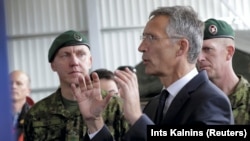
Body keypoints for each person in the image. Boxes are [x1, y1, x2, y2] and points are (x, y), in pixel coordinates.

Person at [71, 6, 234, 141]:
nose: (141, 47)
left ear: (181, 47)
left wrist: (137, 118)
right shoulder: (155, 105)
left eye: (151, 37)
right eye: (144, 38)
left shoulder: (212, 102)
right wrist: (94, 123)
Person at [23, 30, 92, 140]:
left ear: (90, 61)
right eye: (65, 55)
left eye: (81, 54)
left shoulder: (114, 106)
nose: (74, 62)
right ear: (53, 65)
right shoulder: (36, 114)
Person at [197, 18, 250, 124]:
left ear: (229, 52)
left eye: (207, 49)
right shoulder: (195, 100)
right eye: (197, 50)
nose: (199, 58)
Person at [90, 68, 129, 141]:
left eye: (113, 95)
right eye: (102, 95)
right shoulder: (84, 120)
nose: (108, 101)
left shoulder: (128, 118)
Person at [10, 70, 34, 141]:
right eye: (10, 83)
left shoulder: (38, 117)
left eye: (19, 83)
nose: (13, 86)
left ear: (28, 91)